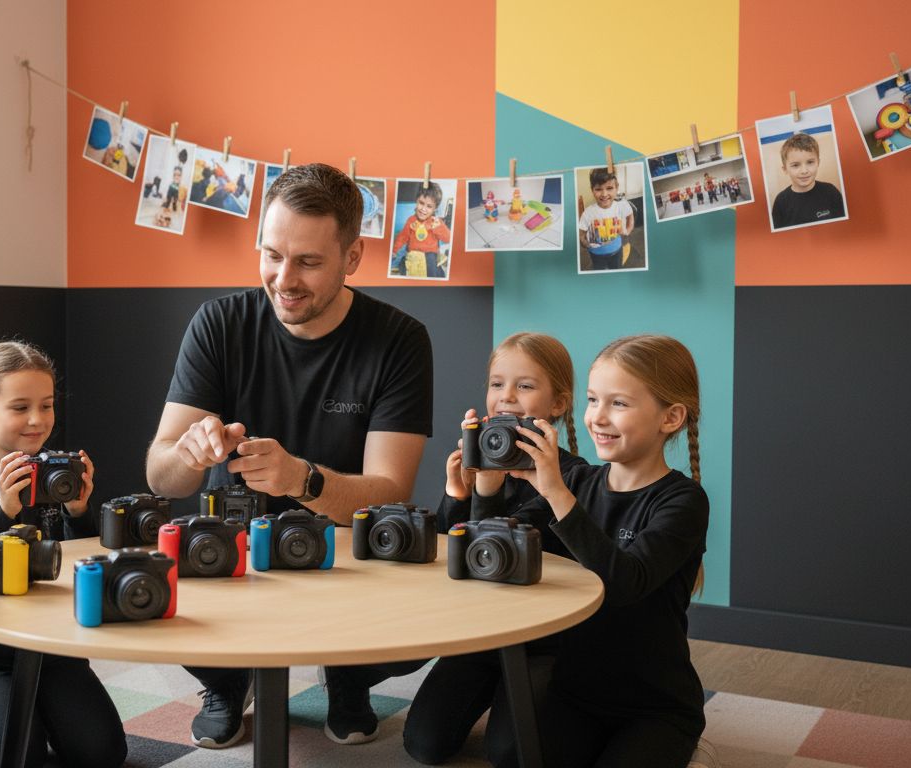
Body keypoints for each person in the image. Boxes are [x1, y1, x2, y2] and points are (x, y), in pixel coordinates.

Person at [146, 162, 434, 749]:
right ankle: (226, 682)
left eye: (308, 261)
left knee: (429, 623)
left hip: (348, 556)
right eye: (271, 254)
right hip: (233, 553)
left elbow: (390, 490)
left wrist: (301, 479)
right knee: (147, 590)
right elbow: (159, 473)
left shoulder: (400, 339)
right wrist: (191, 453)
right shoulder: (219, 323)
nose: (284, 278)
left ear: (353, 256)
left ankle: (348, 678)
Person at [494, 334, 709, 767]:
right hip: (577, 694)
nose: (598, 417)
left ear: (671, 417)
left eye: (619, 404)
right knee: (508, 758)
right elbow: (500, 543)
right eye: (593, 400)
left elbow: (624, 584)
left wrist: (555, 490)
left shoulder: (682, 501)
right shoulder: (580, 483)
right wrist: (477, 488)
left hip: (655, 707)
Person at [0, 341, 125, 768]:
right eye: (20, 407)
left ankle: (37, 711)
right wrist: (4, 507)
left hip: (53, 647)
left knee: (103, 754)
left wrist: (79, 510)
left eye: (47, 405)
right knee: (14, 757)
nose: (37, 420)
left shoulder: (57, 474)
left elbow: (91, 563)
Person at [403, 331, 587, 765]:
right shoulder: (476, 461)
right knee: (424, 745)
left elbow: (504, 553)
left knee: (509, 752)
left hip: (542, 643)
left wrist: (486, 492)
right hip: (479, 638)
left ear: (557, 404)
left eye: (525, 386)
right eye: (496, 384)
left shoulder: (573, 478)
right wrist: (456, 492)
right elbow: (447, 560)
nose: (506, 397)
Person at [770, 133, 845, 229]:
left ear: (818, 162)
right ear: (785, 169)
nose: (804, 171)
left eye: (810, 162)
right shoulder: (781, 201)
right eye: (795, 165)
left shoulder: (831, 192)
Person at [390, 183, 452, 278]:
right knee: (405, 265)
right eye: (421, 203)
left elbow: (448, 239)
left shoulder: (436, 222)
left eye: (429, 206)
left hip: (430, 254)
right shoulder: (411, 220)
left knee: (431, 269)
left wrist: (438, 228)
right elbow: (402, 237)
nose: (423, 209)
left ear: (435, 208)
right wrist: (394, 250)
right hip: (413, 254)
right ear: (416, 201)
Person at [578, 167, 634, 270]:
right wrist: (585, 243)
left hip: (617, 250)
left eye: (609, 188)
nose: (604, 194)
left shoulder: (620, 206)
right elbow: (581, 234)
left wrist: (628, 230)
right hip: (596, 254)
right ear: (592, 190)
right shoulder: (588, 213)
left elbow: (630, 215)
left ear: (616, 188)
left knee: (616, 269)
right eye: (598, 189)